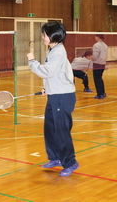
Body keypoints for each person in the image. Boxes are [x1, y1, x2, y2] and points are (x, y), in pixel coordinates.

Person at [27, 21, 79, 177]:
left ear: (52, 36)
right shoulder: (53, 50)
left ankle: (70, 162)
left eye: (45, 34)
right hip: (55, 94)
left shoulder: (58, 52)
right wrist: (48, 88)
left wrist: (32, 62)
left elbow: (48, 72)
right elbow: (59, 74)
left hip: (62, 97)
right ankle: (56, 157)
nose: (43, 37)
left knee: (62, 131)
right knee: (50, 128)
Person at [92, 34, 108, 99]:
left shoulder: (96, 45)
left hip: (97, 64)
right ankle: (103, 93)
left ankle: (99, 94)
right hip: (103, 64)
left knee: (97, 79)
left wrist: (90, 58)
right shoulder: (105, 45)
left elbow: (95, 57)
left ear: (97, 37)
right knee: (100, 79)